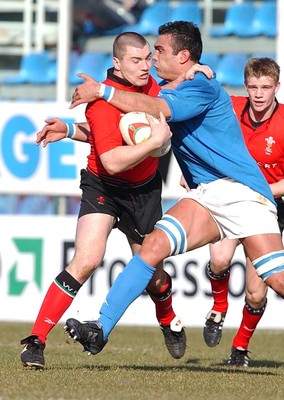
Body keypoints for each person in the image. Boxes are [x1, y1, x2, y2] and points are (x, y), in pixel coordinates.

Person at [63, 21, 284, 359]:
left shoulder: (200, 86)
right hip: (208, 195)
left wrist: (104, 92)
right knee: (152, 247)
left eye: (160, 52)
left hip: (245, 194)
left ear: (183, 56)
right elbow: (127, 124)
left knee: (276, 282)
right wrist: (67, 128)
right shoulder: (170, 84)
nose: (152, 58)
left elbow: (161, 110)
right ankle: (100, 329)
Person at [20, 32, 187, 370]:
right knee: (86, 260)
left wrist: (69, 129)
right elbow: (111, 160)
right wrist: (155, 142)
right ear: (117, 63)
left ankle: (168, 319)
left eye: (147, 59)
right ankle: (35, 342)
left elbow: (113, 129)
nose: (145, 66)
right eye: (136, 61)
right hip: (104, 185)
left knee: (153, 275)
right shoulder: (99, 102)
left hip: (143, 190)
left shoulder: (152, 87)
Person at [203, 57, 284, 367]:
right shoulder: (231, 108)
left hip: (268, 208)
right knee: (219, 259)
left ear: (277, 87)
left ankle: (239, 348)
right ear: (245, 87)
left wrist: (258, 191)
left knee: (255, 293)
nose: (259, 94)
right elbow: (198, 123)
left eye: (266, 87)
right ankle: (219, 307)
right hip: (230, 200)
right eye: (253, 87)